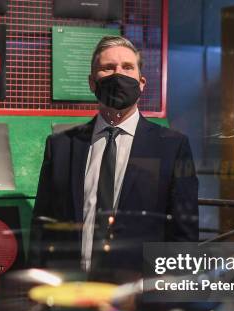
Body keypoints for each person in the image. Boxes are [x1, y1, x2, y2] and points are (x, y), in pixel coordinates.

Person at [30, 36, 198, 279]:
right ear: (91, 82)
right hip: (70, 292)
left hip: (137, 297)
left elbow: (184, 235)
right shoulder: (61, 146)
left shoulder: (172, 147)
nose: (118, 74)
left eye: (127, 67)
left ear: (141, 83)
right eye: (107, 68)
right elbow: (41, 226)